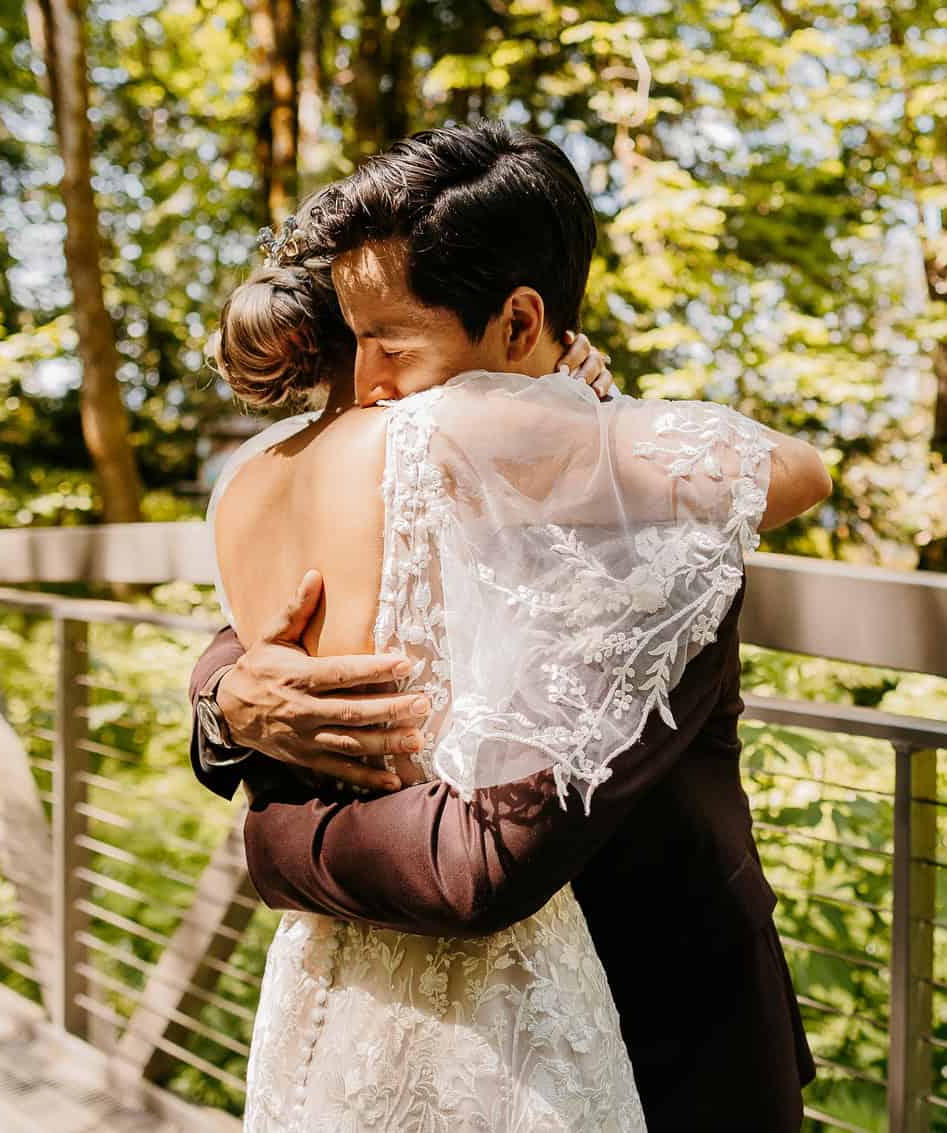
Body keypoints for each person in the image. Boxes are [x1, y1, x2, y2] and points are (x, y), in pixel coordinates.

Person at [195, 121, 828, 1131]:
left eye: (390, 345)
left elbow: (475, 869)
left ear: (519, 321)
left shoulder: (647, 550)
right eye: (353, 343)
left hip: (666, 1053)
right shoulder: (408, 464)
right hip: (416, 1038)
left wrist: (274, 835)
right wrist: (224, 699)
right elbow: (274, 629)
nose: (366, 391)